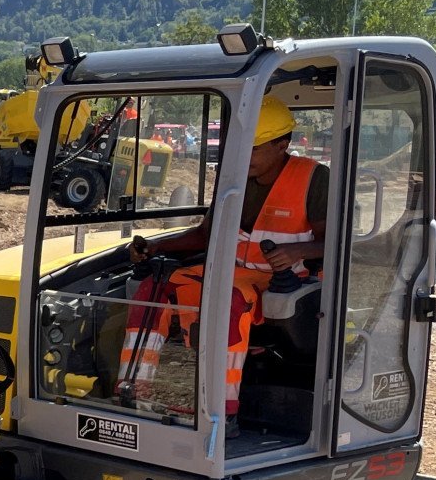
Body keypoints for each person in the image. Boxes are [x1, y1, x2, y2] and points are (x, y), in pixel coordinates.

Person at [119, 97, 328, 429]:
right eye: (241, 147)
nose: (245, 156)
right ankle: (134, 389)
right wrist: (158, 246)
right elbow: (206, 236)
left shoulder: (314, 180)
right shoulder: (236, 178)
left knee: (228, 301)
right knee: (153, 287)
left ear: (282, 145)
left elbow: (335, 242)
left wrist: (297, 252)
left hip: (280, 280)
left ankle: (220, 410)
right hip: (228, 270)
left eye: (254, 148)